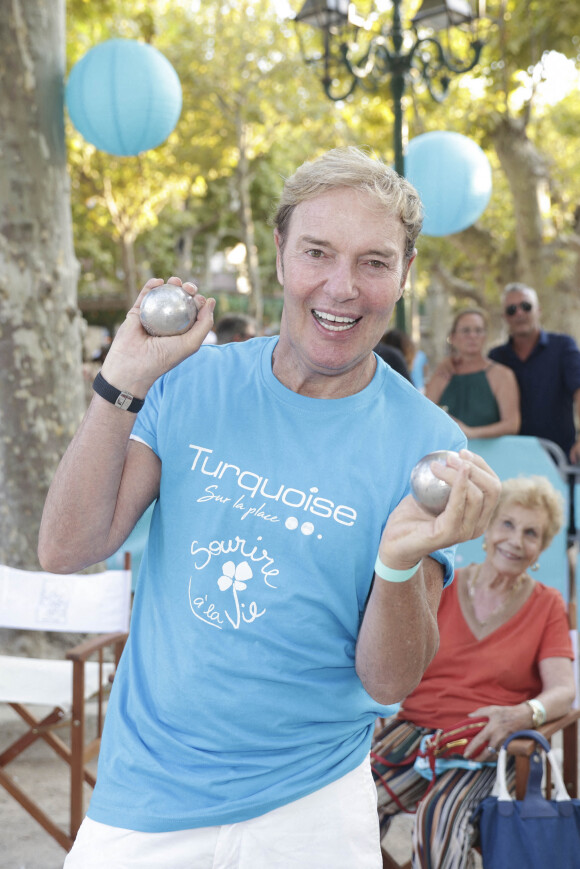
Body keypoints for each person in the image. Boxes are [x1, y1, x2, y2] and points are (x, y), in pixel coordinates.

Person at [38, 146, 501, 869]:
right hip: (148, 792)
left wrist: (399, 560)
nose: (342, 287)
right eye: (318, 251)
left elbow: (389, 680)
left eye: (374, 262)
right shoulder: (192, 383)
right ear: (281, 252)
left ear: (404, 277)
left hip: (311, 802)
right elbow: (66, 547)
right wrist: (120, 382)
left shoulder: (430, 444)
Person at [372, 475, 575, 869]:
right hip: (413, 734)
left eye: (531, 533)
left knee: (437, 820)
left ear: (542, 548)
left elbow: (563, 691)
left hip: (487, 743)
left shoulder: (547, 604)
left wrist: (523, 714)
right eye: (508, 524)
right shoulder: (443, 584)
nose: (516, 540)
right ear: (488, 530)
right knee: (352, 804)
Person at [489, 283, 580, 462]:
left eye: (526, 306)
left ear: (538, 310)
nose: (519, 313)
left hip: (560, 457)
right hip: (510, 457)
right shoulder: (495, 356)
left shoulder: (563, 346)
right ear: (505, 317)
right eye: (511, 309)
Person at [425, 308, 520, 439]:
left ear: (485, 336)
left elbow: (511, 424)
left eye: (478, 331)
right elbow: (425, 413)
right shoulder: (443, 372)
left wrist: (471, 433)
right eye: (466, 331)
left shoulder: (503, 375)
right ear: (453, 337)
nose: (472, 336)